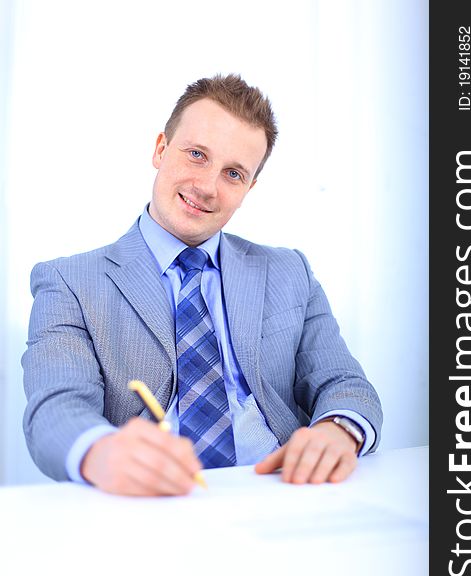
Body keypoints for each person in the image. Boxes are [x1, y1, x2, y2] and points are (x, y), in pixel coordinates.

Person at [22, 74, 382, 496]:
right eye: (196, 155)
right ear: (160, 149)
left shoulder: (290, 272)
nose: (208, 187)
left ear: (249, 187)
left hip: (283, 491)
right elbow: (54, 409)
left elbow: (345, 384)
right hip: (151, 502)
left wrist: (338, 430)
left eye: (233, 173)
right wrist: (101, 452)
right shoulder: (70, 282)